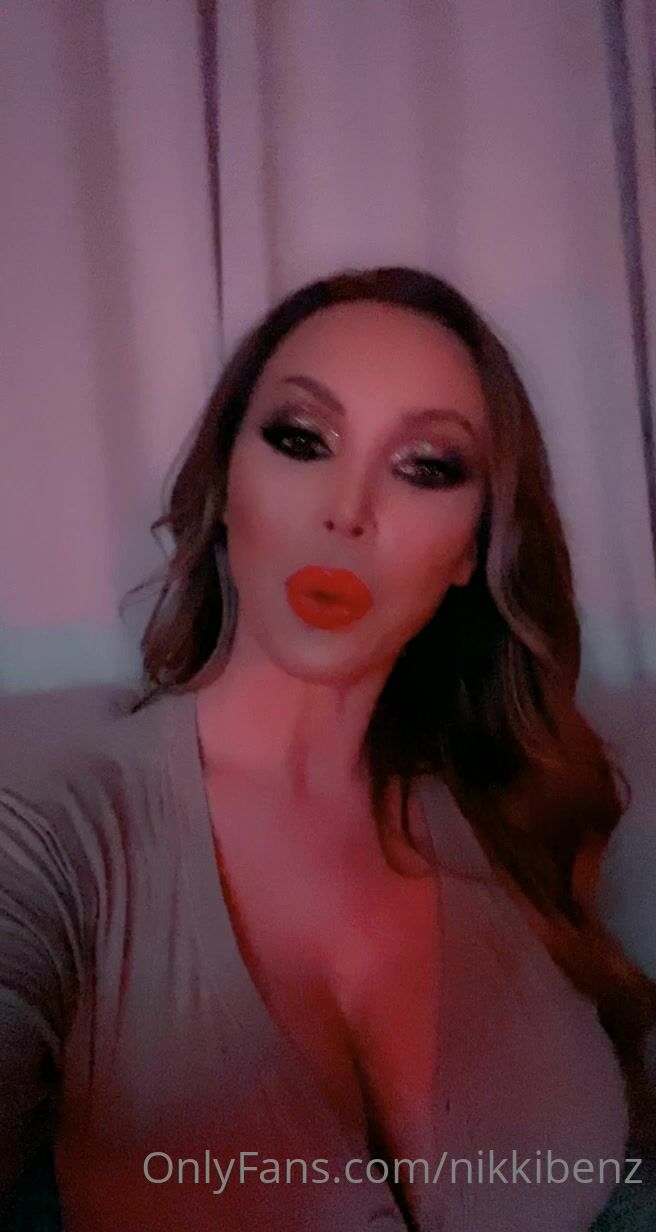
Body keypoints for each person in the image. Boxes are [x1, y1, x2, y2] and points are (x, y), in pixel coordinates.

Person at [1, 265, 655, 1232]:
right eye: (302, 440)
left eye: (426, 465)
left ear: (472, 549)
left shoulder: (511, 808)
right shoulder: (54, 844)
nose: (348, 510)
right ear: (226, 488)